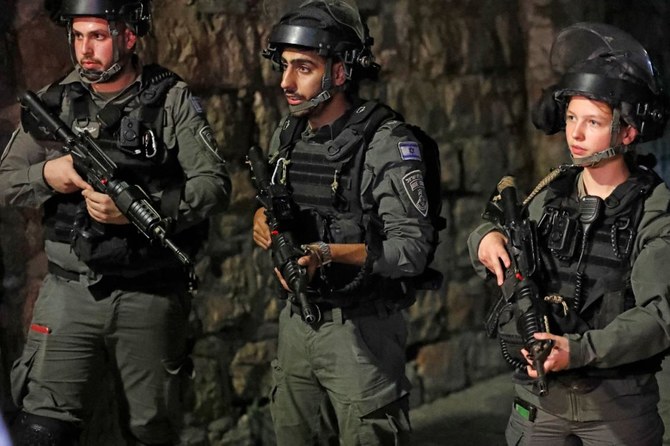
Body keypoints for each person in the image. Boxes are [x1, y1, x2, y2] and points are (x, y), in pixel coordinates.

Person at [0, 0, 231, 444]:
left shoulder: (171, 100)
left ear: (128, 37)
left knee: (151, 429)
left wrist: (145, 209)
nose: (86, 49)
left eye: (99, 36)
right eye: (79, 36)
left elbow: (214, 184)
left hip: (148, 292)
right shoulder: (54, 102)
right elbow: (6, 180)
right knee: (42, 426)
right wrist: (50, 174)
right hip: (69, 292)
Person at [468, 22, 670, 446]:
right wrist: (485, 239)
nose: (575, 135)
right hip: (540, 405)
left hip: (617, 407)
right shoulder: (552, 193)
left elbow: (659, 316)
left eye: (593, 122)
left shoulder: (654, 207)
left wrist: (577, 350)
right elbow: (500, 230)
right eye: (572, 117)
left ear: (628, 131)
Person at [251, 0, 438, 444]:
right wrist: (263, 217)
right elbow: (285, 203)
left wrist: (327, 253)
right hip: (297, 323)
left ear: (338, 73)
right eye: (284, 66)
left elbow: (412, 251)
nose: (286, 82)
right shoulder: (290, 133)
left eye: (303, 68)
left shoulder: (385, 143)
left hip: (359, 331)